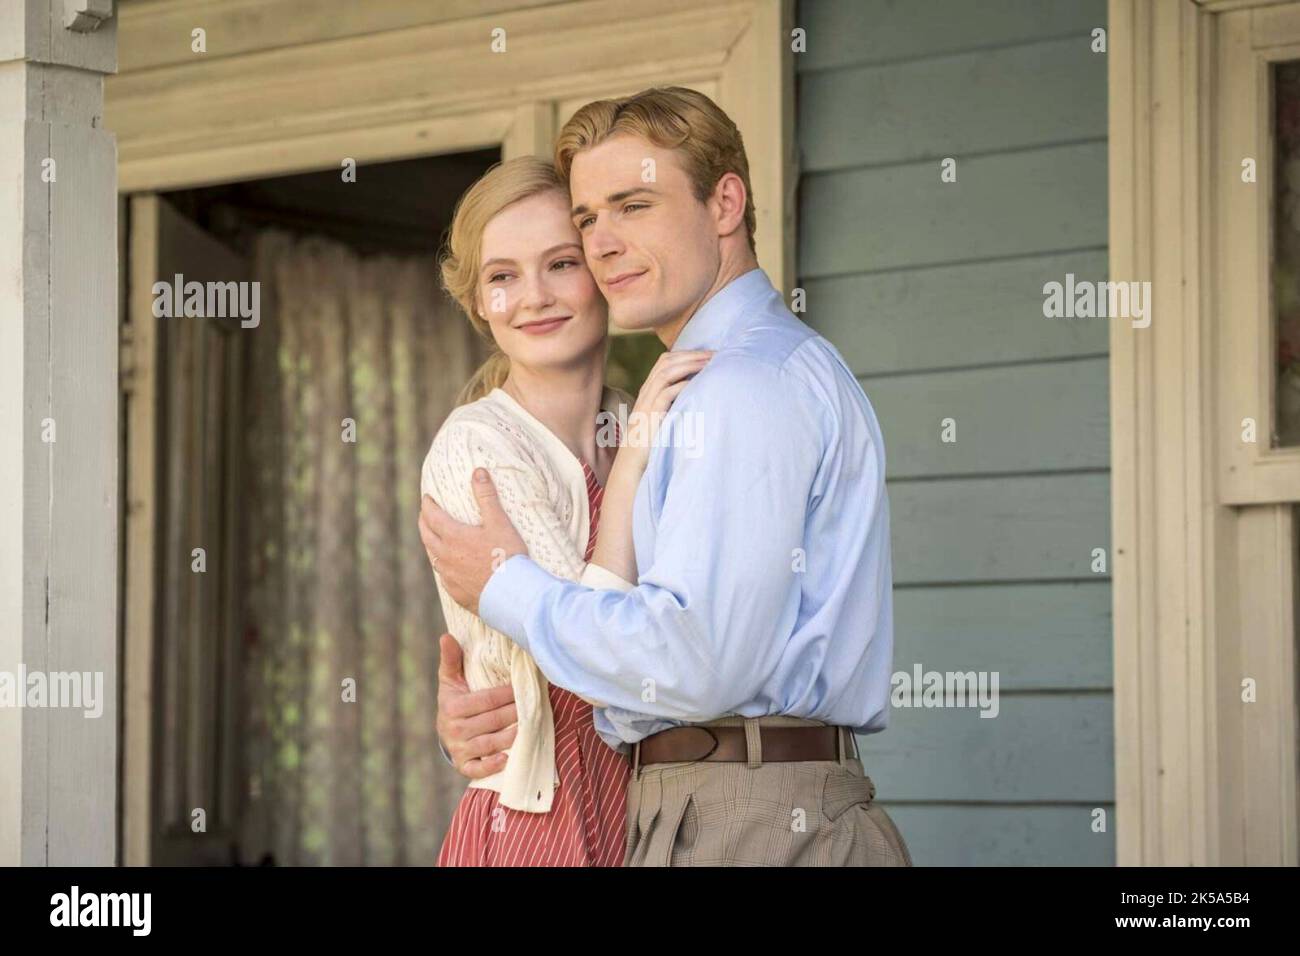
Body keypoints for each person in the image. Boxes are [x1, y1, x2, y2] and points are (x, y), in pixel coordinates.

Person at [421, 87, 911, 867]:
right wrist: (487, 697)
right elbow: (547, 668)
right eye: (589, 221)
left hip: (748, 811)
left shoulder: (737, 385)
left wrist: (506, 589)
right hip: (672, 804)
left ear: (725, 203)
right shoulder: (687, 394)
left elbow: (694, 658)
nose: (606, 243)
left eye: (635, 205)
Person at [421, 155, 710, 865]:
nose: (534, 297)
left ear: (602, 272)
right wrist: (638, 454)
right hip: (541, 825)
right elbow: (589, 656)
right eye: (502, 276)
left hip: (653, 814)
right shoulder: (477, 450)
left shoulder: (640, 419)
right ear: (478, 303)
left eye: (560, 264)